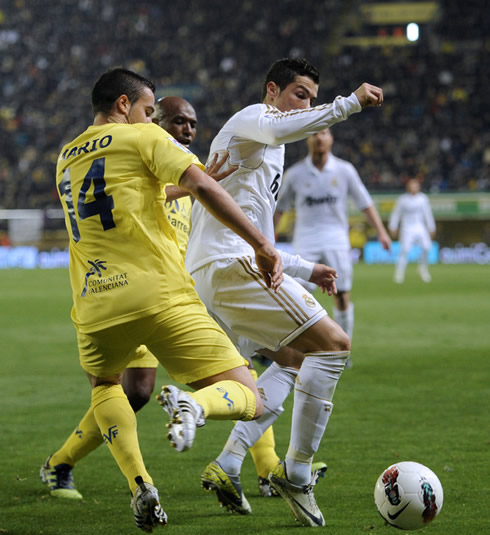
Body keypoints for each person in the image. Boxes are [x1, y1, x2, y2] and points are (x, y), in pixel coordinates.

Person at [43, 67, 284, 533]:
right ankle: (201, 415)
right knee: (246, 389)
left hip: (94, 303)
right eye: (149, 112)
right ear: (123, 106)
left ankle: (140, 485)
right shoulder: (145, 141)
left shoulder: (65, 157)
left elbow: (129, 195)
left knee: (110, 387)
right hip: (158, 292)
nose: (152, 120)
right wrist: (262, 244)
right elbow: (201, 187)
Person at [184, 57, 383, 527]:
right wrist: (348, 103)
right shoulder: (253, 120)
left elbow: (264, 240)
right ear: (272, 90)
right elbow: (290, 128)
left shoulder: (270, 154)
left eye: (312, 98)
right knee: (334, 346)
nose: (307, 105)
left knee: (292, 360)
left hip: (222, 270)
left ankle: (230, 463)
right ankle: (295, 472)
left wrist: (308, 267)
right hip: (229, 266)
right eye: (299, 94)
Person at [275, 128, 392, 367]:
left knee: (342, 294)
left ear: (331, 139)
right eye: (314, 133)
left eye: (324, 133)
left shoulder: (345, 170)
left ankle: (341, 352)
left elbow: (365, 203)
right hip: (305, 240)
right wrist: (267, 240)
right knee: (296, 295)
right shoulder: (295, 174)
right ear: (307, 139)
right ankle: (296, 348)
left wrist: (381, 232)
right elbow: (279, 209)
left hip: (337, 239)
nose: (319, 137)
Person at [388, 178, 436, 283]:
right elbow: (396, 214)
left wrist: (431, 227)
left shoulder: (423, 199)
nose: (415, 187)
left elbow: (428, 214)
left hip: (420, 227)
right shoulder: (403, 199)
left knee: (427, 247)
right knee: (404, 250)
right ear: (408, 187)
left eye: (416, 185)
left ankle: (423, 269)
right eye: (412, 185)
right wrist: (393, 226)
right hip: (407, 228)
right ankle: (399, 273)